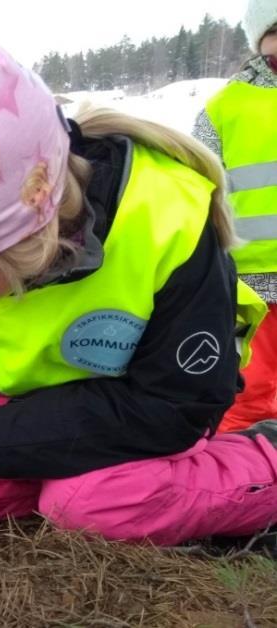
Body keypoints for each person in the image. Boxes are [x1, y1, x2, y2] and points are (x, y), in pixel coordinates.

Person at [0, 30, 272, 577]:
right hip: (56, 399)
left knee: (89, 502)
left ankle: (260, 469)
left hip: (160, 406)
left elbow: (177, 407)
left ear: (20, 239)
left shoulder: (163, 221)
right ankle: (83, 484)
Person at [193, 0, 277, 433]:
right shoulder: (225, 107)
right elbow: (194, 183)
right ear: (260, 39)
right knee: (250, 389)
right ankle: (247, 470)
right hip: (253, 280)